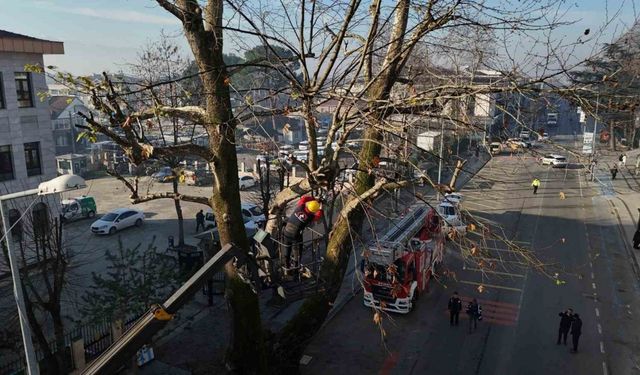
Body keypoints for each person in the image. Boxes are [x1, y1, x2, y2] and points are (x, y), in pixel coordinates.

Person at [282, 196, 323, 271]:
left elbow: (303, 198)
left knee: (287, 249)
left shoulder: (300, 207)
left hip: (286, 231)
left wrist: (314, 198)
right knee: (297, 252)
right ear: (313, 211)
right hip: (295, 236)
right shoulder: (310, 217)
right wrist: (320, 207)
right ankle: (296, 270)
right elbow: (318, 216)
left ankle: (286, 267)